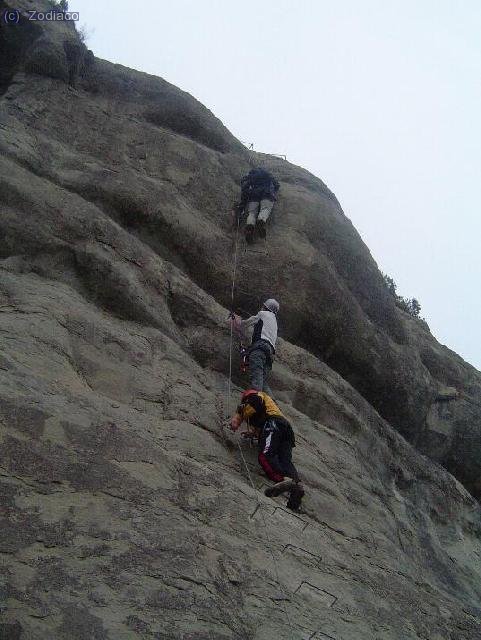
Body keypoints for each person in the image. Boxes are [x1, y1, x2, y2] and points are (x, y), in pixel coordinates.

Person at [230, 389, 304, 510]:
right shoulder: (269, 406)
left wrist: (239, 415)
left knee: (265, 456)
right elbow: (262, 422)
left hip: (273, 424)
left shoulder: (255, 396)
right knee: (285, 461)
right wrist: (254, 433)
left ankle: (284, 480)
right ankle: (296, 490)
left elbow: (255, 407)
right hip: (285, 429)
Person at [231, 299, 279, 396]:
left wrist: (235, 319)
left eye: (263, 306)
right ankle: (273, 406)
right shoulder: (274, 322)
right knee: (262, 380)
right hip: (269, 355)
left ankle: (254, 402)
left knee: (257, 381)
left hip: (260, 349)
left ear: (265, 307)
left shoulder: (263, 314)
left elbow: (245, 324)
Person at [239, 168, 280, 243]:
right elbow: (276, 183)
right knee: (265, 209)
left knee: (252, 213)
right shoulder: (266, 174)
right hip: (266, 194)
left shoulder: (250, 178)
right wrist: (275, 189)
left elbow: (244, 190)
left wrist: (242, 205)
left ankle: (250, 227)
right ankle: (261, 221)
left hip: (253, 196)